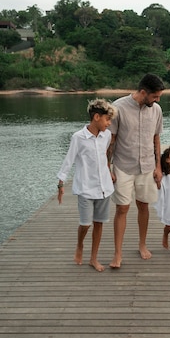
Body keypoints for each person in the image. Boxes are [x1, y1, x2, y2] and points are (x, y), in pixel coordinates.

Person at [108, 73, 165, 268]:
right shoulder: (118, 108)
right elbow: (111, 141)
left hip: (147, 166)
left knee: (143, 206)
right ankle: (117, 253)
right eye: (155, 96)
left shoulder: (156, 110)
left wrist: (158, 167)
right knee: (122, 208)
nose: (157, 100)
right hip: (123, 165)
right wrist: (108, 167)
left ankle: (142, 244)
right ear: (143, 92)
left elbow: (156, 139)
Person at [57, 98, 116, 272]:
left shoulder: (106, 135)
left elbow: (104, 156)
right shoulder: (78, 137)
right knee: (86, 224)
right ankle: (80, 245)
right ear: (96, 117)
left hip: (105, 187)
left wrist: (109, 170)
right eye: (107, 119)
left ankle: (93, 258)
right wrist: (61, 184)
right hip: (85, 187)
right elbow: (69, 160)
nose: (109, 123)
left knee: (99, 223)